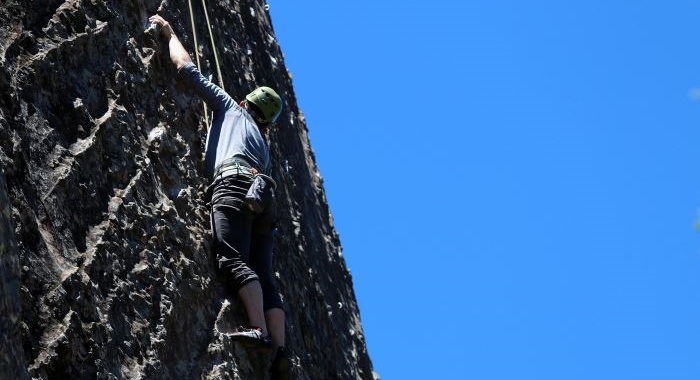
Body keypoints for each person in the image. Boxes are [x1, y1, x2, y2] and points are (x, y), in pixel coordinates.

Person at [148, 14, 289, 379]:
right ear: (268, 123)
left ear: (246, 102)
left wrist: (169, 32)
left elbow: (186, 69)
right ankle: (280, 350)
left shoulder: (231, 109)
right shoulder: (263, 145)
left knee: (231, 258)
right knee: (265, 274)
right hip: (263, 197)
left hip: (235, 188)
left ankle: (258, 330)